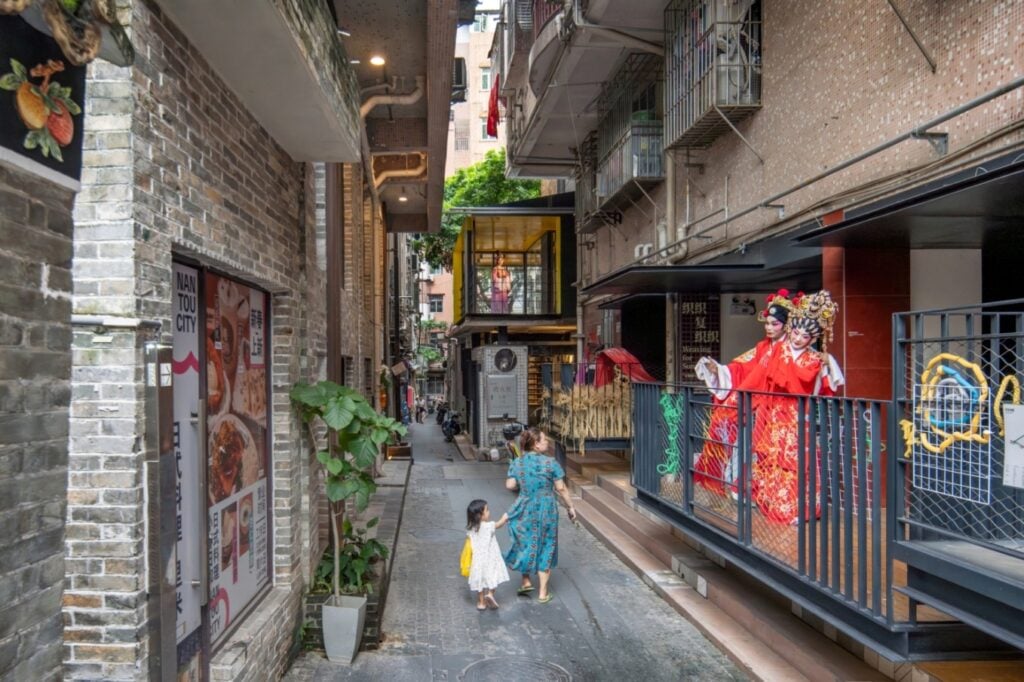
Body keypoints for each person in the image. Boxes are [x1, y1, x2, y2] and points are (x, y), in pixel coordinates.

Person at [740, 290, 845, 524]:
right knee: (773, 460)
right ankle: (776, 505)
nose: (798, 339)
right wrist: (740, 396)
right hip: (775, 414)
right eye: (796, 332)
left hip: (799, 417)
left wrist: (828, 364)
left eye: (805, 336)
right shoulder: (776, 350)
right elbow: (758, 375)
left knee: (799, 462)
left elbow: (825, 385)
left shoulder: (815, 359)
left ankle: (800, 508)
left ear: (813, 338)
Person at [693, 290, 797, 495]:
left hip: (780, 409)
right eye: (767, 323)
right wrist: (720, 370)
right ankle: (739, 484)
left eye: (774, 324)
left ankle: (761, 490)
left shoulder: (789, 349)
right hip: (757, 405)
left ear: (786, 325)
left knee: (770, 452)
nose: (769, 328)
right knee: (745, 446)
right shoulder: (762, 347)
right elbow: (744, 368)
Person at [503, 428, 577, 603]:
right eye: (544, 440)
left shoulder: (518, 463)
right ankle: (543, 593)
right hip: (546, 508)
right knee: (546, 544)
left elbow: (510, 485)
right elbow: (561, 488)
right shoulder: (551, 464)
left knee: (524, 541)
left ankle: (526, 580)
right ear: (536, 444)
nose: (548, 442)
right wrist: (571, 507)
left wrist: (524, 482)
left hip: (525, 506)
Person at [465, 499, 510, 610]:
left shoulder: (471, 529)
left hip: (478, 560)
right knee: (493, 576)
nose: (489, 512)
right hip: (491, 558)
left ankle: (481, 603)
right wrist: (504, 518)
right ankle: (490, 594)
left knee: (480, 581)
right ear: (480, 515)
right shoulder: (489, 526)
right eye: (487, 510)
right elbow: (499, 524)